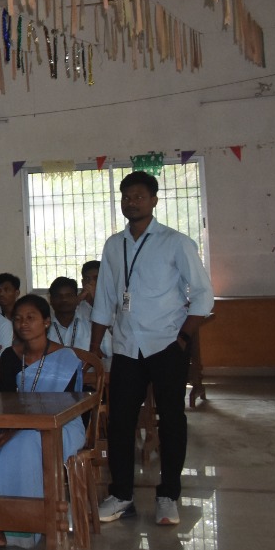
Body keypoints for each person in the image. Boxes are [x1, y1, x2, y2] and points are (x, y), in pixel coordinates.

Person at [91, 171, 213, 527]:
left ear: (154, 201)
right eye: (127, 196)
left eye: (139, 196)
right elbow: (105, 298)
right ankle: (121, 495)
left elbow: (203, 294)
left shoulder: (176, 242)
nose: (132, 202)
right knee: (119, 423)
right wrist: (94, 346)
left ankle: (168, 496)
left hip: (166, 345)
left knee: (172, 420)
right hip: (127, 346)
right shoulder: (114, 245)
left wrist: (184, 338)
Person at [0, 295, 86, 550]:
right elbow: (6, 402)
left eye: (31, 318)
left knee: (25, 444)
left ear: (46, 322)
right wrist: (12, 427)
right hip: (15, 423)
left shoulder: (65, 357)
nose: (23, 323)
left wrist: (17, 428)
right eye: (18, 318)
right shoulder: (10, 357)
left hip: (60, 424)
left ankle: (9, 517)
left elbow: (62, 407)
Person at [49, 276, 110, 360]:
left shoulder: (93, 323)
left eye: (69, 295)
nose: (64, 300)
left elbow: (110, 355)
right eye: (58, 296)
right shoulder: (42, 326)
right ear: (51, 300)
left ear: (76, 298)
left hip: (88, 372)